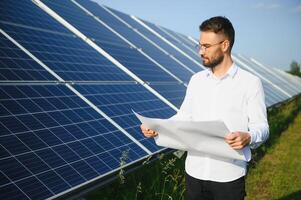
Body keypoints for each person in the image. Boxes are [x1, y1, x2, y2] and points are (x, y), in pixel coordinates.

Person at [140, 16, 269, 200]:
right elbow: (183, 117)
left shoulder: (250, 83)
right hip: (194, 173)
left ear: (225, 45)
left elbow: (262, 126)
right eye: (200, 45)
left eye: (207, 46)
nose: (201, 51)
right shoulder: (196, 81)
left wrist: (249, 136)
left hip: (229, 177)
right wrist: (158, 127)